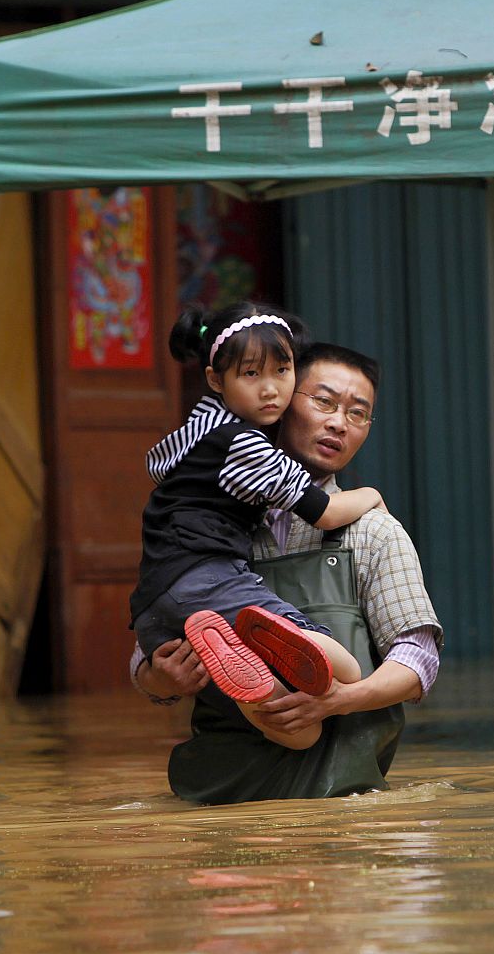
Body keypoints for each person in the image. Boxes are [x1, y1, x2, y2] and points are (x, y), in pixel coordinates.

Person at [133, 341, 444, 804]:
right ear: (281, 399)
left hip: (339, 800)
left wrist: (337, 699)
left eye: (358, 413)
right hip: (222, 801)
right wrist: (163, 680)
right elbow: (143, 658)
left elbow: (419, 663)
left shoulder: (373, 532)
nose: (339, 422)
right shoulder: (216, 524)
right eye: (323, 401)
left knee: (340, 680)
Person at [129, 301, 381, 752]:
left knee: (303, 735)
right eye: (251, 375)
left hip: (155, 604)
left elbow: (154, 466)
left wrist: (153, 669)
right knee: (346, 669)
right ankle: (253, 639)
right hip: (209, 578)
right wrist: (371, 497)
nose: (270, 390)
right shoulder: (244, 445)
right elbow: (322, 511)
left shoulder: (195, 431)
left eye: (282, 372)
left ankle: (242, 658)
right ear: (215, 380)